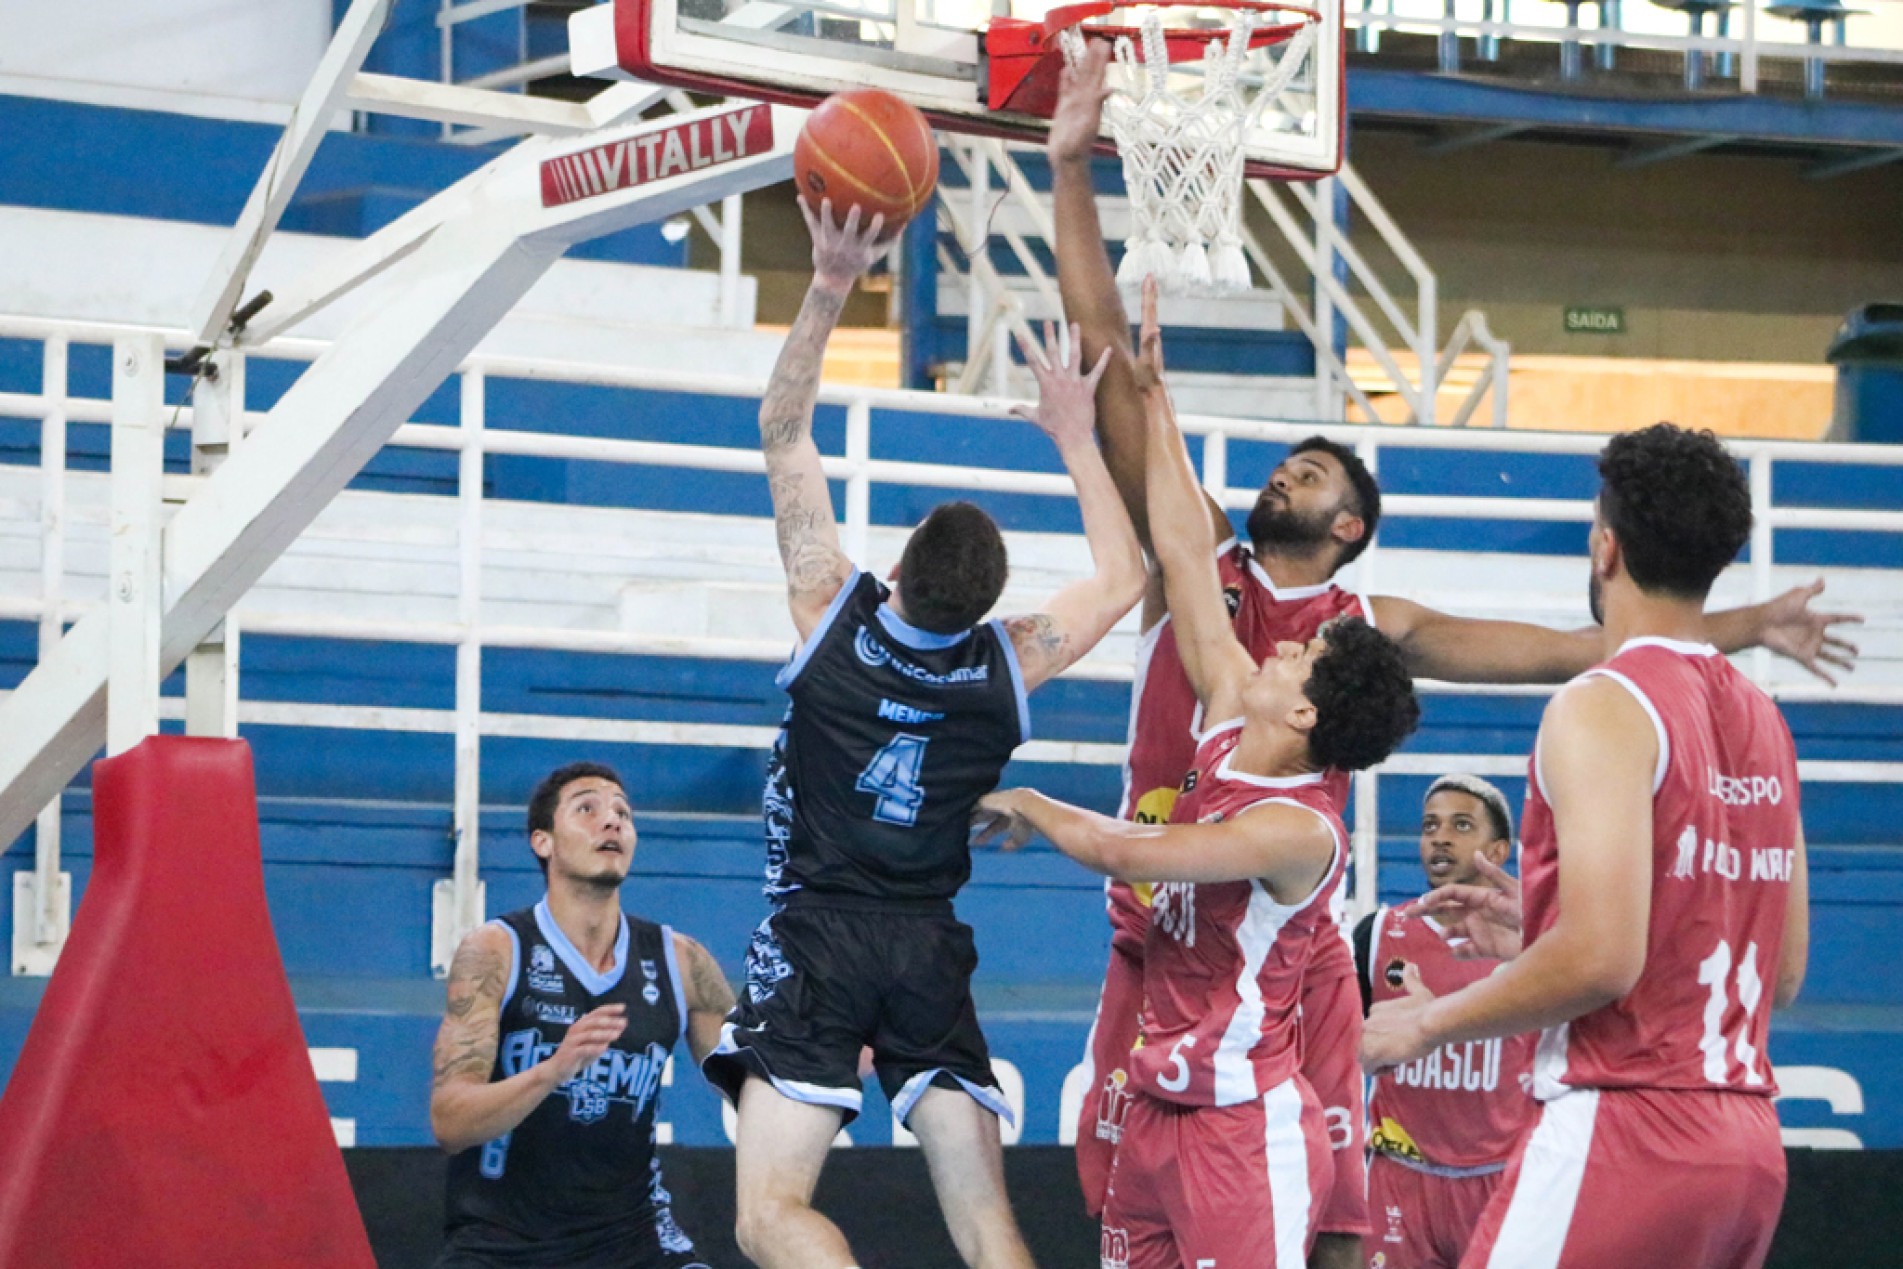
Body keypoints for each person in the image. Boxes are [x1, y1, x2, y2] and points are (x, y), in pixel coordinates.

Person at [1045, 45, 1857, 1269]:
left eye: (1313, 471)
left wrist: (1734, 624)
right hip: (1159, 937)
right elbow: (1111, 361)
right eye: (1282, 464)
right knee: (1129, 1223)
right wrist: (1069, 173)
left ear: (1351, 526)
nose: (1282, 473)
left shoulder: (1377, 630)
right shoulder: (1203, 573)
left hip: (1287, 947)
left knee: (1324, 1227)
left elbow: (1591, 648)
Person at [702, 199, 1146, 1269]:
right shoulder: (1010, 661)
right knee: (987, 1222)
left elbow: (782, 429)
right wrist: (1076, 437)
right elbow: (1126, 577)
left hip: (819, 936)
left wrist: (828, 282)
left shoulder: (829, 612)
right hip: (926, 949)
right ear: (990, 604)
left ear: (893, 570)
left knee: (770, 1219)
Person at [972, 295, 1419, 1268]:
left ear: (1302, 715)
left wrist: (1033, 801)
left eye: (1298, 657)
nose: (1277, 649)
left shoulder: (1296, 831)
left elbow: (1130, 848)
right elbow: (1184, 550)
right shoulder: (1229, 719)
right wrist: (1158, 401)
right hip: (1158, 1104)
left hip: (1238, 1126)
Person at [1360, 423, 1811, 1269]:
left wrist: (1428, 1022)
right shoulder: (1765, 720)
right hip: (1747, 1149)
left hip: (1627, 1128)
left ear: (1605, 548)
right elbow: (1777, 972)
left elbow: (1603, 960)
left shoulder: (1602, 702)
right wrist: (1540, 940)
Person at [429, 762, 736, 1269]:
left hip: (633, 1240)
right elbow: (450, 1121)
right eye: (587, 809)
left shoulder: (681, 960)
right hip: (502, 1246)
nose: (611, 822)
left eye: (622, 812)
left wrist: (814, 1061)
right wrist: (552, 1071)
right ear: (543, 841)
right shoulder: (495, 951)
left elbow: (749, 1087)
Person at [1351, 775, 1537, 1269]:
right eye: (1430, 826)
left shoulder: (1542, 945)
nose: (1440, 837)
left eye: (1460, 825)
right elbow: (1338, 1051)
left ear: (1498, 851)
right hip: (1401, 1178)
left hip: (1502, 1178)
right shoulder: (1376, 935)